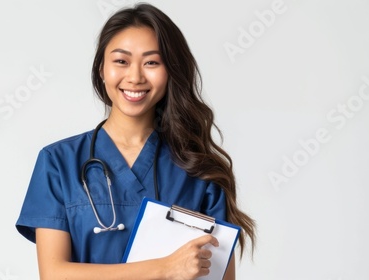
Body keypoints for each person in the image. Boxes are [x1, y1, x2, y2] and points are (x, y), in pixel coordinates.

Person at [16, 3, 255, 279]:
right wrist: (165, 269)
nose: (135, 76)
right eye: (121, 61)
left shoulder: (200, 170)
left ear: (170, 72)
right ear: (102, 69)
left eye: (152, 62)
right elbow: (54, 274)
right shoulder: (59, 162)